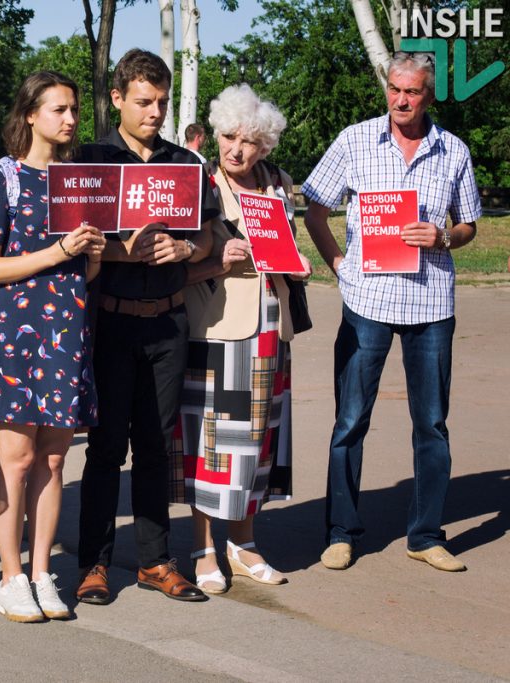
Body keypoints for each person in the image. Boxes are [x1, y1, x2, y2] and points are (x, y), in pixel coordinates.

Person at [303, 52, 481, 573]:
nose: (402, 100)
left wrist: (443, 237)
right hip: (367, 303)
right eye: (395, 89)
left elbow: (469, 223)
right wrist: (339, 264)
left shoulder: (453, 151)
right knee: (351, 420)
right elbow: (314, 207)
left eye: (413, 92)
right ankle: (341, 532)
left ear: (430, 95)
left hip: (430, 305)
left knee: (431, 423)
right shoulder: (356, 140)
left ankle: (425, 535)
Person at [74, 48, 216, 606]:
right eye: (143, 102)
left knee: (157, 449)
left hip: (168, 324)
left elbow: (207, 236)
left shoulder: (184, 163)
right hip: (108, 324)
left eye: (161, 101)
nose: (154, 111)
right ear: (117, 100)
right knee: (106, 449)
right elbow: (75, 243)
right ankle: (94, 564)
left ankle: (156, 561)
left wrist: (186, 245)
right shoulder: (90, 161)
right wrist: (128, 254)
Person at [0, 71, 105, 623]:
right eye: (58, 110)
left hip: (68, 332)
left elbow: (87, 270)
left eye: (73, 109)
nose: (70, 119)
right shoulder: (3, 178)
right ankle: (9, 577)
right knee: (17, 459)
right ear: (29, 114)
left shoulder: (80, 180)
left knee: (53, 458)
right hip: (16, 334)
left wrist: (90, 254)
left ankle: (43, 571)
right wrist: (57, 253)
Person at [171, 85, 312, 594]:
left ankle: (245, 542)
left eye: (250, 141)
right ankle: (204, 545)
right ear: (215, 135)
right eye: (230, 136)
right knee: (211, 444)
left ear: (265, 146)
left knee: (259, 440)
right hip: (218, 330)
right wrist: (215, 260)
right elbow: (176, 271)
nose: (237, 149)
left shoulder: (277, 182)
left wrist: (298, 265)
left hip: (273, 327)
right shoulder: (200, 184)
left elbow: (286, 246)